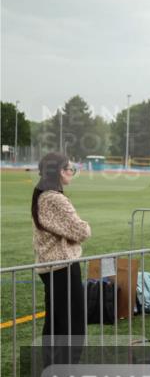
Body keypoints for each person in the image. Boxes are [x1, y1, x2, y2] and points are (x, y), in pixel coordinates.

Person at [31, 153, 91, 363]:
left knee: (57, 321)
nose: (71, 174)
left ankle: (54, 366)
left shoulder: (44, 194)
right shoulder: (53, 197)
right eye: (69, 170)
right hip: (61, 266)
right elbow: (81, 230)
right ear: (58, 171)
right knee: (71, 322)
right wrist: (84, 228)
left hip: (54, 265)